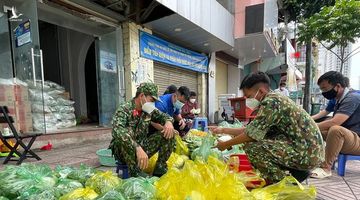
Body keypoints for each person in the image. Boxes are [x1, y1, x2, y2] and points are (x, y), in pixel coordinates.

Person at [210, 72, 324, 183]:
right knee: (253, 142)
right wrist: (223, 130)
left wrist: (226, 144)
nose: (247, 100)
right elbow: (251, 130)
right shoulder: (274, 99)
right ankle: (296, 172)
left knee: (253, 148)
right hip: (305, 150)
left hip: (307, 153)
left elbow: (250, 136)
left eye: (248, 96)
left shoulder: (271, 102)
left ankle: (281, 184)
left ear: (260, 91)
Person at [109, 83, 176, 177]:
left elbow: (165, 117)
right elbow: (117, 131)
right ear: (141, 96)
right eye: (152, 100)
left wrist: (168, 122)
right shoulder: (124, 109)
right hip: (124, 152)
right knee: (125, 134)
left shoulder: (148, 110)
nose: (153, 103)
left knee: (169, 133)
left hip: (142, 147)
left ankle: (160, 169)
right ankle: (135, 172)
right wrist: (137, 147)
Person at [311, 71, 360, 179]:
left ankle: (326, 168)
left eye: (324, 88)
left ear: (337, 86)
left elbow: (335, 122)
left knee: (336, 130)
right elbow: (326, 114)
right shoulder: (338, 99)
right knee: (318, 132)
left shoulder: (352, 98)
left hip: (357, 140)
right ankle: (312, 161)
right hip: (350, 138)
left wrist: (309, 126)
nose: (323, 92)